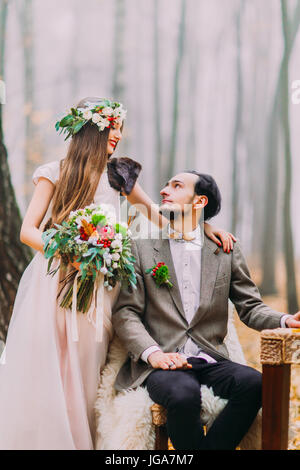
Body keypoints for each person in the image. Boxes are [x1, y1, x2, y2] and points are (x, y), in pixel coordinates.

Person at [0, 97, 233, 450]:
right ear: (91, 129)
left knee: (87, 368)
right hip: (56, 283)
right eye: (112, 127)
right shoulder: (54, 172)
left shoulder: (118, 174)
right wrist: (70, 254)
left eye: (120, 129)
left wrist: (202, 228)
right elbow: (28, 231)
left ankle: (86, 441)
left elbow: (157, 214)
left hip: (100, 289)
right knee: (51, 363)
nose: (118, 135)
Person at [112, 170, 300, 450]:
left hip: (211, 359)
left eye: (176, 186)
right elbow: (126, 312)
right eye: (166, 185)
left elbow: (249, 306)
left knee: (255, 384)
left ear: (199, 202)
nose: (164, 190)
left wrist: (286, 320)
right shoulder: (141, 248)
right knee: (184, 394)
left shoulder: (225, 250)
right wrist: (154, 355)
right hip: (163, 362)